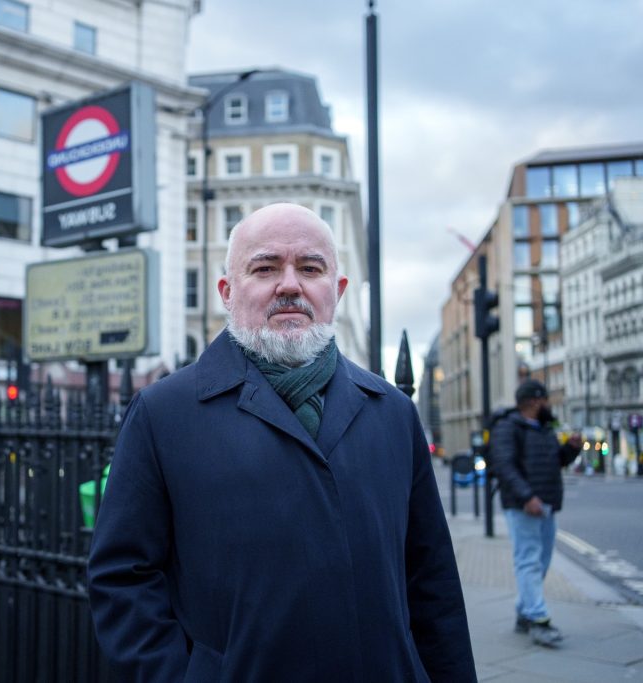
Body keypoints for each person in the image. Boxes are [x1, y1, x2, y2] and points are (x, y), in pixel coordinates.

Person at [87, 203, 475, 682]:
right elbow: (123, 578)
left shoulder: (393, 413)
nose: (290, 285)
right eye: (265, 268)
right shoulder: (162, 413)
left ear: (337, 290)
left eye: (310, 269)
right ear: (227, 292)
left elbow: (432, 580)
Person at [490, 379, 582, 647]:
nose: (548, 405)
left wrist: (571, 449)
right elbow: (504, 465)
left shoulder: (543, 428)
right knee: (528, 561)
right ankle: (538, 619)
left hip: (546, 505)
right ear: (533, 401)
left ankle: (524, 612)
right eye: (545, 401)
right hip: (524, 506)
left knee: (540, 562)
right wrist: (527, 497)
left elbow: (555, 461)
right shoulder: (508, 427)